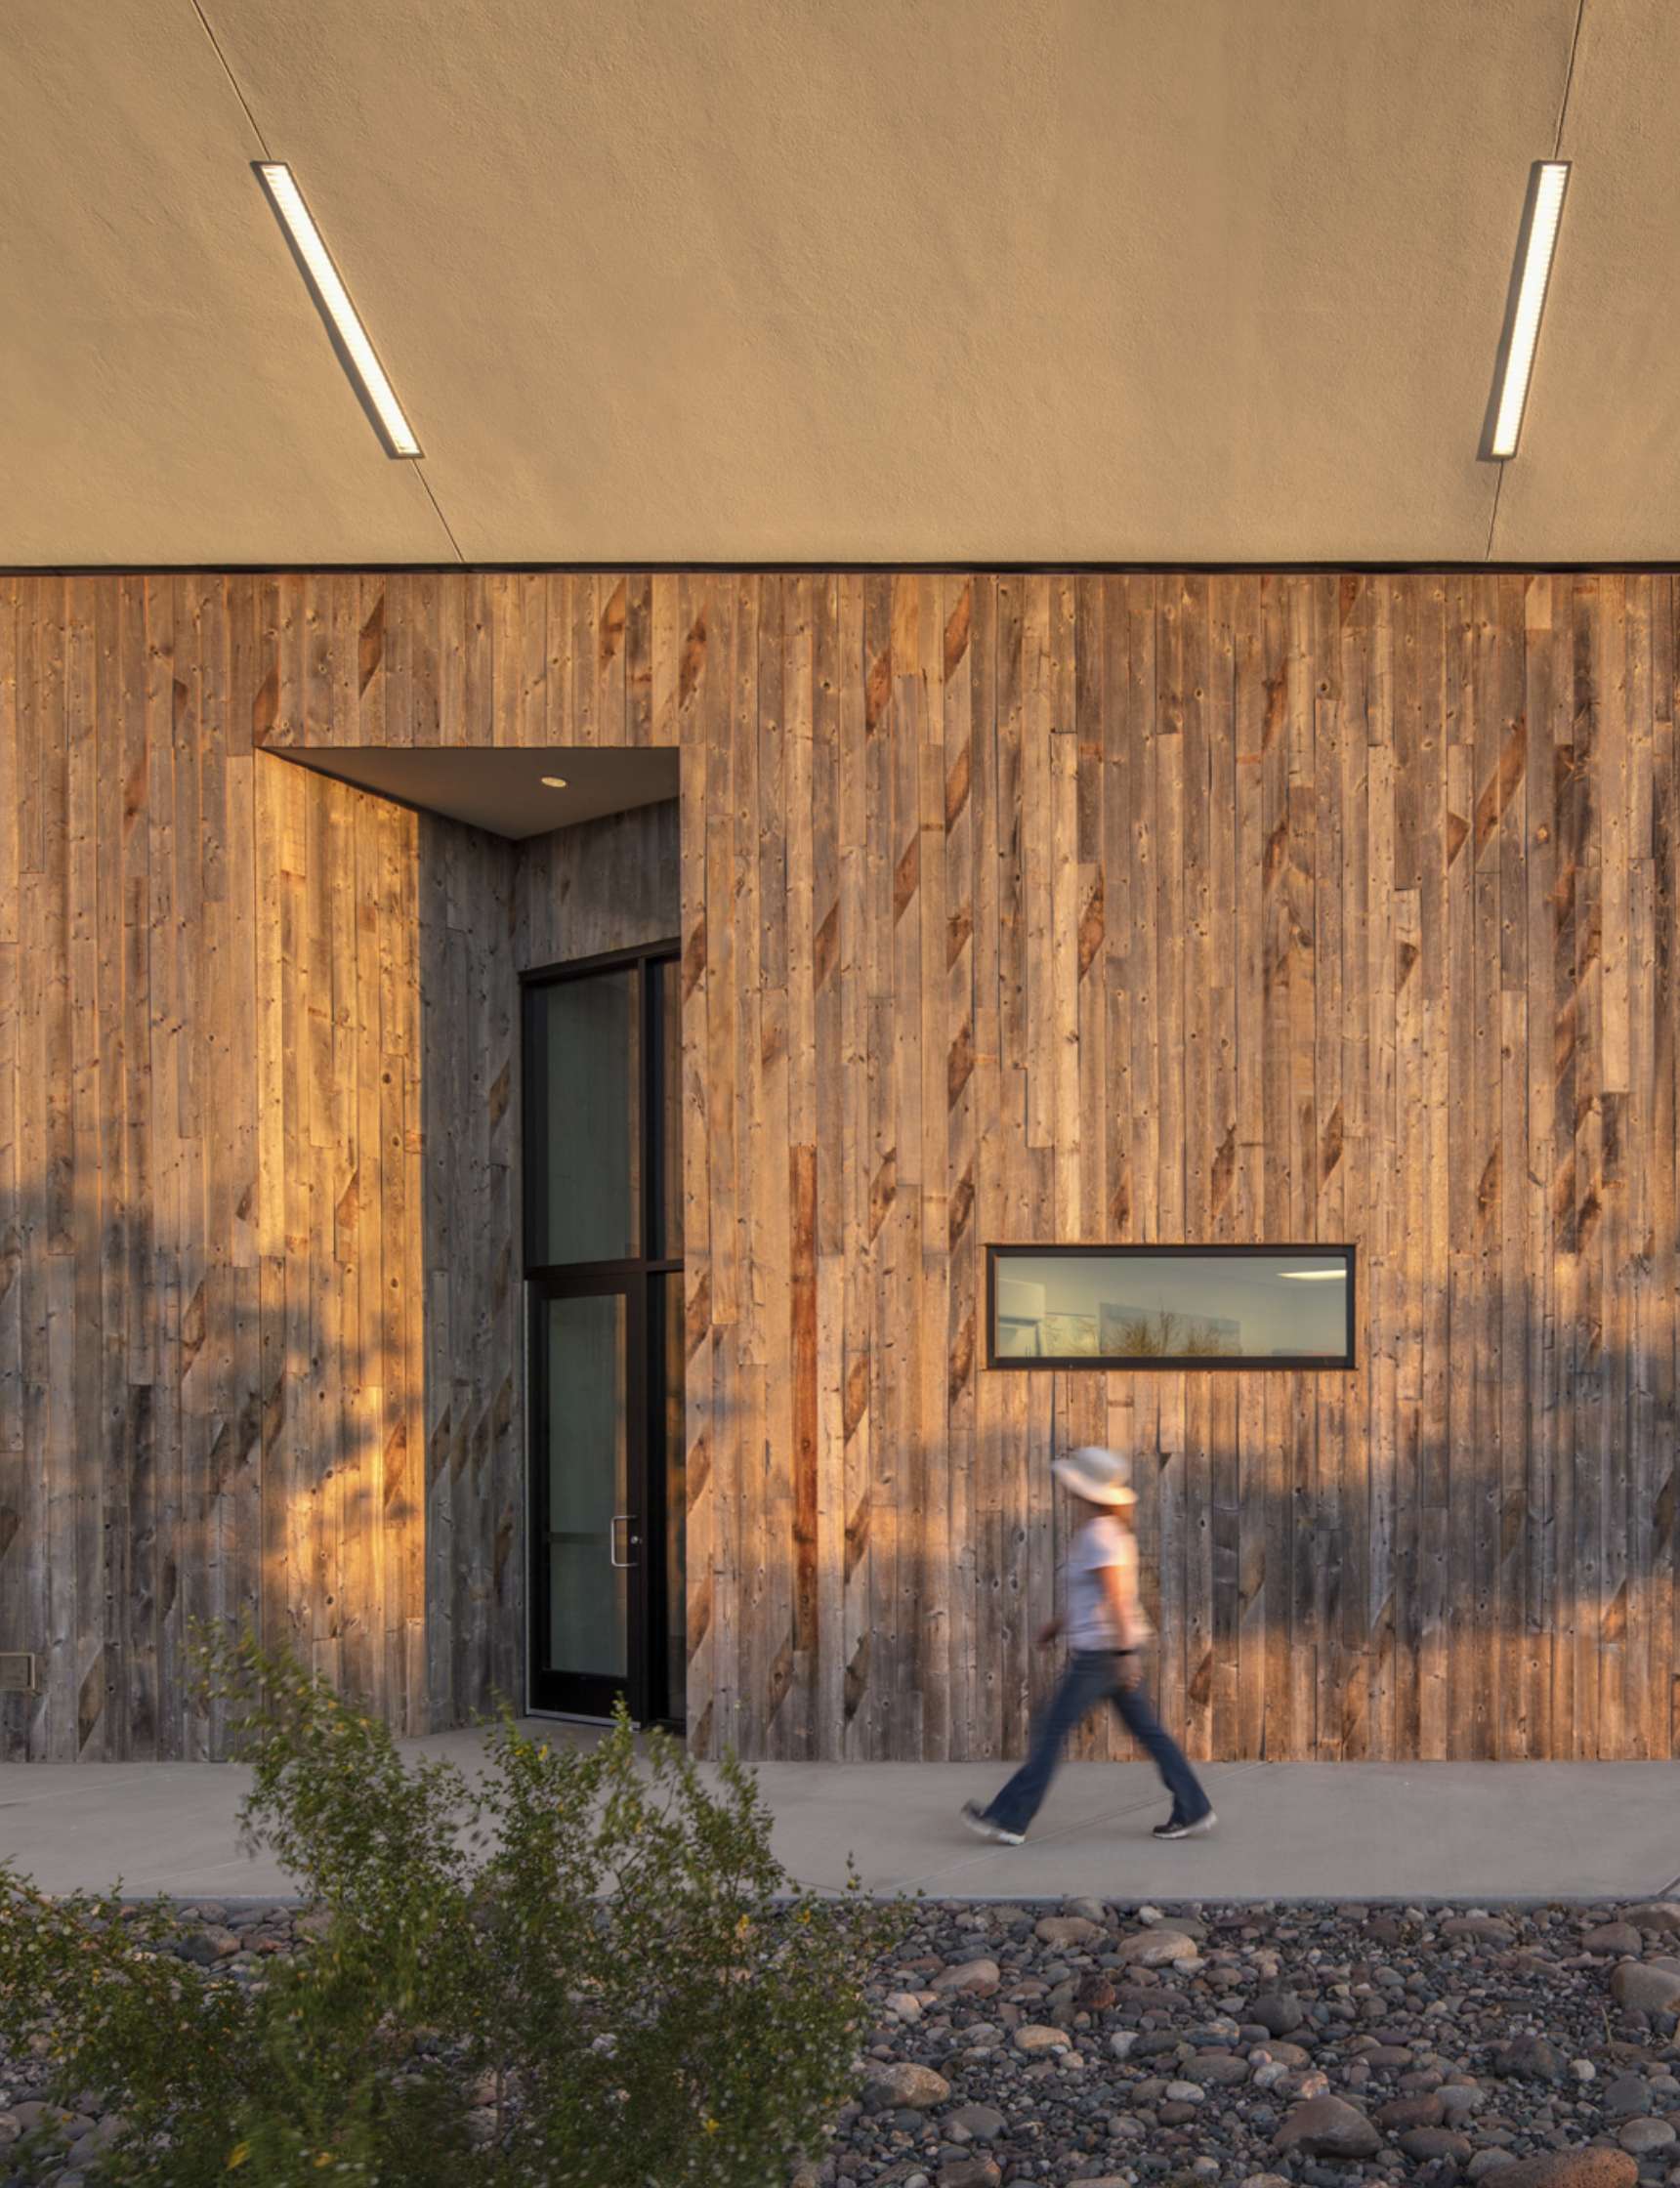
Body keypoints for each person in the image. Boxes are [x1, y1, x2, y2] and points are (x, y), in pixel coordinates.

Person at [961, 1445, 1215, 1844]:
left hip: (1102, 1655)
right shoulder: (1105, 1533)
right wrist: (1059, 1625)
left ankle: (1009, 1819)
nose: (1067, 1492)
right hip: (1108, 1650)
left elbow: (1116, 1598)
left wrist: (1125, 1655)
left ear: (1084, 1492)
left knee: (1050, 1730)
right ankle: (1193, 1808)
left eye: (1072, 1487)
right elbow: (1097, 1596)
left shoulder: (1099, 1536)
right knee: (1149, 1732)